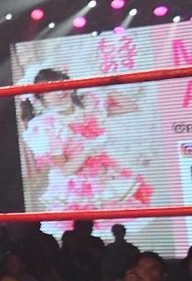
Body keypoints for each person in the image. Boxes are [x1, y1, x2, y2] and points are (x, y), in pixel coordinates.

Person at [19, 68, 152, 213]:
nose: (60, 92)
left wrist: (102, 87)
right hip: (76, 186)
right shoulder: (47, 126)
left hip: (105, 173)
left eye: (62, 85)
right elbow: (66, 170)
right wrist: (88, 150)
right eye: (51, 90)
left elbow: (131, 106)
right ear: (41, 96)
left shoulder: (87, 109)